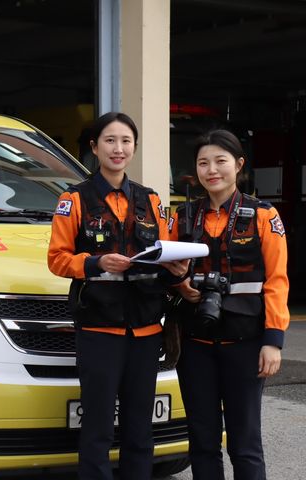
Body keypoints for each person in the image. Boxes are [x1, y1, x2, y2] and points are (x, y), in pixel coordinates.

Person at [48, 111, 188, 480]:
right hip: (98, 329)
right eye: (110, 140)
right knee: (97, 427)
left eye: (126, 141)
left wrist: (176, 268)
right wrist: (95, 262)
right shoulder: (74, 199)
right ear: (94, 147)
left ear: (135, 147)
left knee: (140, 427)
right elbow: (57, 260)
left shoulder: (151, 201)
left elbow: (163, 250)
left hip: (145, 329)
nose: (118, 148)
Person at [168, 129, 289, 479]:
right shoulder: (184, 217)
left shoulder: (264, 216)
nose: (212, 170)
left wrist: (272, 341)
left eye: (220, 161)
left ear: (238, 164)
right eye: (203, 163)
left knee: (245, 443)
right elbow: (164, 270)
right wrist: (181, 284)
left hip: (246, 345)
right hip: (196, 346)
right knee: (202, 442)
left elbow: (277, 281)